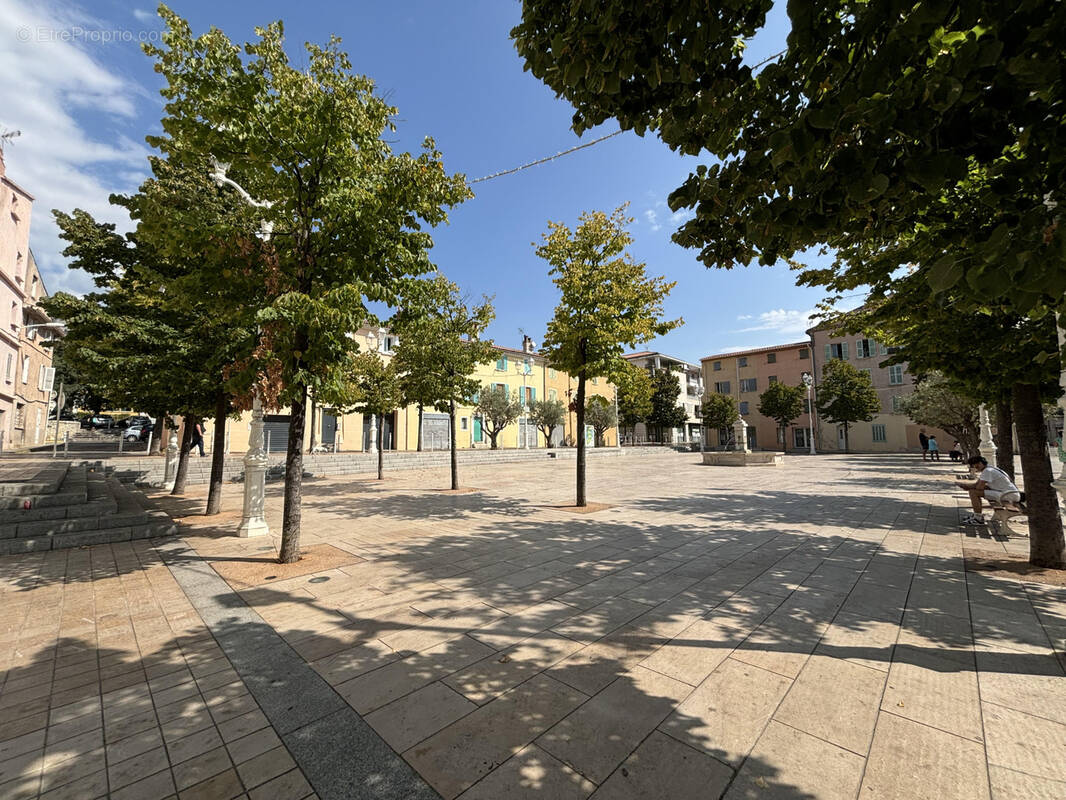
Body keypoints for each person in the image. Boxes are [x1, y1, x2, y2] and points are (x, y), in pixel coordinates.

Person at [955, 455, 1021, 525]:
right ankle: (977, 516)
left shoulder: (987, 471)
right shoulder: (990, 469)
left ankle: (978, 518)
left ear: (980, 463)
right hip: (1010, 493)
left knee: (973, 493)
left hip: (1008, 495)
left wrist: (968, 487)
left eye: (976, 466)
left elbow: (979, 487)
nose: (975, 469)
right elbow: (977, 484)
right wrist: (965, 485)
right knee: (974, 491)